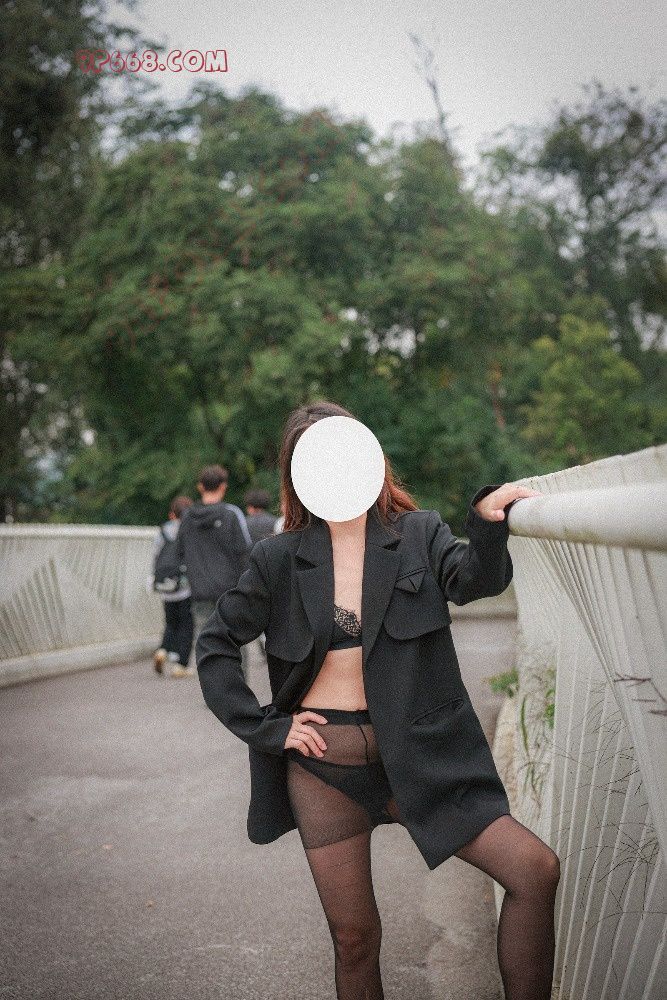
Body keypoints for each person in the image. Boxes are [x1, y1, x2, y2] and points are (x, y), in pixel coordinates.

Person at [196, 401, 560, 1000]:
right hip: (324, 770)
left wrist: (488, 521)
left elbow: (475, 579)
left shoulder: (419, 534)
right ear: (298, 474)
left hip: (422, 756)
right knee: (356, 939)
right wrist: (267, 727)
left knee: (534, 870)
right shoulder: (278, 559)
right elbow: (215, 644)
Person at [177, 464, 252, 677]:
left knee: (206, 642)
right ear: (223, 487)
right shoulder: (231, 514)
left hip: (199, 591)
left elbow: (179, 551)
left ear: (200, 487)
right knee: (235, 641)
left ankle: (213, 689)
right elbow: (245, 552)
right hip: (230, 591)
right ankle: (238, 688)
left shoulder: (187, 517)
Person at [151, 495, 194, 679]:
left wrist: (155, 578)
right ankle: (181, 665)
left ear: (172, 514)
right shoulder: (190, 530)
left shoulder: (163, 531)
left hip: (166, 587)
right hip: (185, 587)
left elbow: (155, 556)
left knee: (170, 623)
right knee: (186, 625)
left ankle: (162, 650)